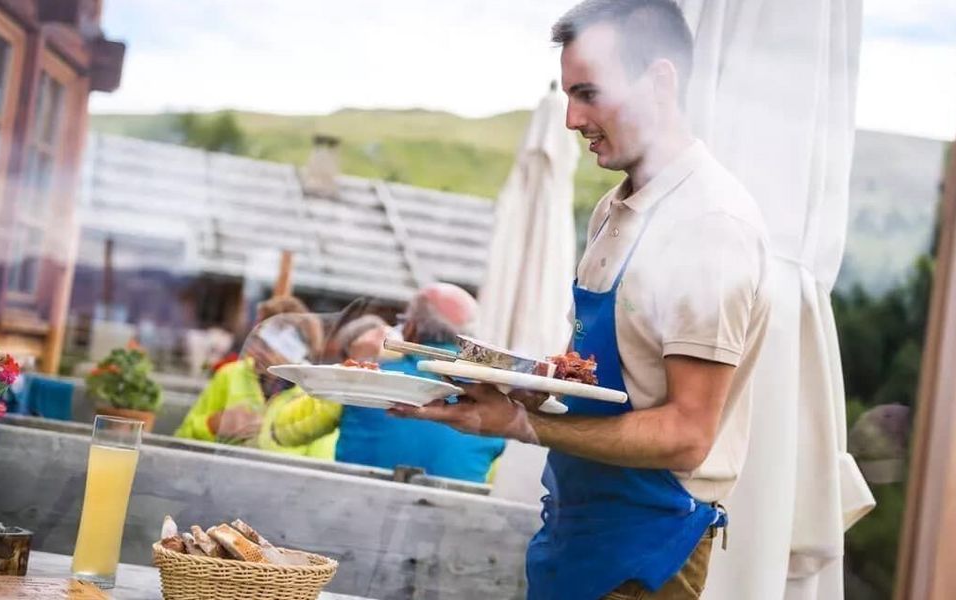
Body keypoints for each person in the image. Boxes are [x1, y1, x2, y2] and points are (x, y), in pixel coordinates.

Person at [393, 2, 772, 599]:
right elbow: (585, 373)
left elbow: (687, 432)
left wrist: (521, 425)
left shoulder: (710, 226)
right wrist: (508, 381)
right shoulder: (611, 209)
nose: (572, 119)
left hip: (649, 552)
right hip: (577, 527)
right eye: (569, 95)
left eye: (590, 93)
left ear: (660, 82)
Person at [335, 283, 506, 483]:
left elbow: (291, 428)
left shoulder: (366, 378)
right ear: (471, 338)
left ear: (410, 328)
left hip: (353, 505)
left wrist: (353, 364)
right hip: (454, 510)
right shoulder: (496, 401)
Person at [174, 296, 342, 459]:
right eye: (256, 340)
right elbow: (180, 440)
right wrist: (212, 425)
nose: (255, 351)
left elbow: (321, 465)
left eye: (268, 346)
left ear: (296, 354)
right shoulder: (229, 375)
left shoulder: (314, 396)